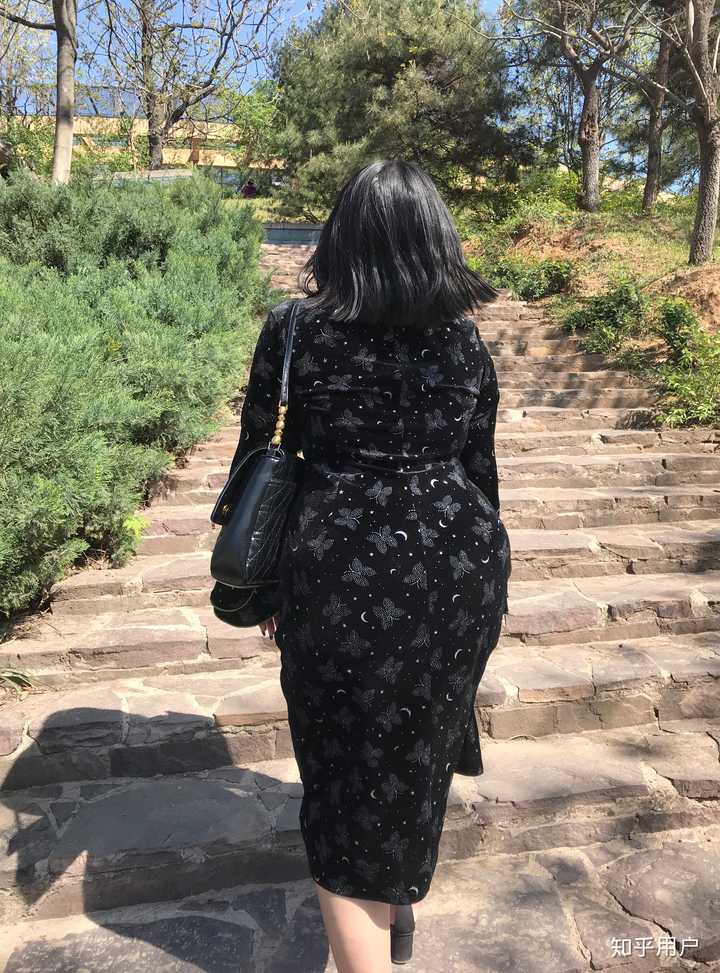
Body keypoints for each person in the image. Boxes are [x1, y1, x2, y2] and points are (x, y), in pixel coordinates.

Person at [227, 159, 512, 972]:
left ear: (342, 237)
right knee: (412, 746)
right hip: (458, 568)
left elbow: (256, 459)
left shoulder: (297, 330)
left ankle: (374, 924)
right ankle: (396, 901)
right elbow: (481, 470)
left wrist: (265, 585)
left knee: (343, 781)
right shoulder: (463, 340)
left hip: (336, 568)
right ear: (437, 238)